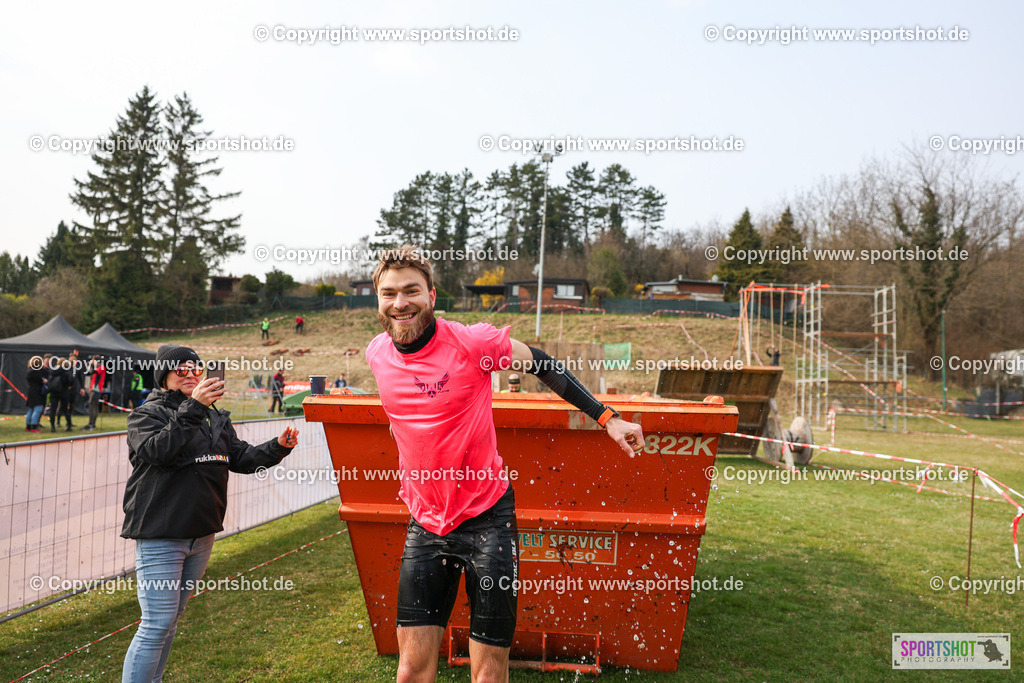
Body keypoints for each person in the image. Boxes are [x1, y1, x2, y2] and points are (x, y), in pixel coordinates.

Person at [365, 245, 643, 682]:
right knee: (410, 670)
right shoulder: (377, 354)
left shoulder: (470, 342)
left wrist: (606, 417)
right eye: (389, 293)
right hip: (426, 522)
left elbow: (543, 364)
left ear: (432, 296)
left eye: (411, 291)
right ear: (378, 300)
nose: (400, 303)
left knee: (489, 673)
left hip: (487, 521)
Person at [120, 344, 299, 683]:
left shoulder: (213, 415)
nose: (190, 374)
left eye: (195, 368)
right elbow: (160, 451)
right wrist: (195, 406)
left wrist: (277, 447)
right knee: (156, 623)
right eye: (180, 369)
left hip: (201, 534)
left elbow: (239, 457)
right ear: (165, 376)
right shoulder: (147, 414)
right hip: (161, 534)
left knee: (171, 619)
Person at [47, 358, 79, 432]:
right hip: (64, 392)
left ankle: (52, 427)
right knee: (65, 410)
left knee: (53, 410)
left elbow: (49, 379)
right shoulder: (67, 371)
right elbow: (71, 380)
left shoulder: (53, 370)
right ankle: (69, 425)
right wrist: (69, 385)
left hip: (54, 391)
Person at [84, 355, 108, 430]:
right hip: (94, 389)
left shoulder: (101, 367)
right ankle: (91, 423)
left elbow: (93, 372)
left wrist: (90, 364)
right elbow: (88, 373)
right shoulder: (98, 367)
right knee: (92, 406)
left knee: (93, 406)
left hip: (96, 389)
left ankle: (92, 424)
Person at [25, 356, 46, 433]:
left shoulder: (29, 371)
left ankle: (28, 426)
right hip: (37, 392)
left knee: (30, 409)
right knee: (38, 409)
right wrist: (43, 381)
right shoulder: (36, 372)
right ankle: (34, 426)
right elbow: (40, 381)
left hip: (31, 391)